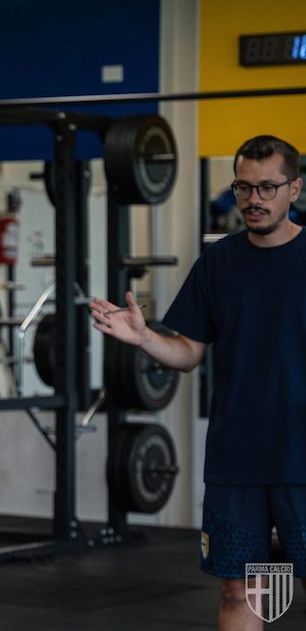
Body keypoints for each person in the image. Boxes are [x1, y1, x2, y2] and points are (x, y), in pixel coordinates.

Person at [89, 135, 306, 630]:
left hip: (303, 456)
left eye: (268, 188)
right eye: (244, 187)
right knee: (244, 592)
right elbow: (188, 353)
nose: (254, 199)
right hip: (238, 459)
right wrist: (144, 339)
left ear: (294, 189)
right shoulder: (219, 262)